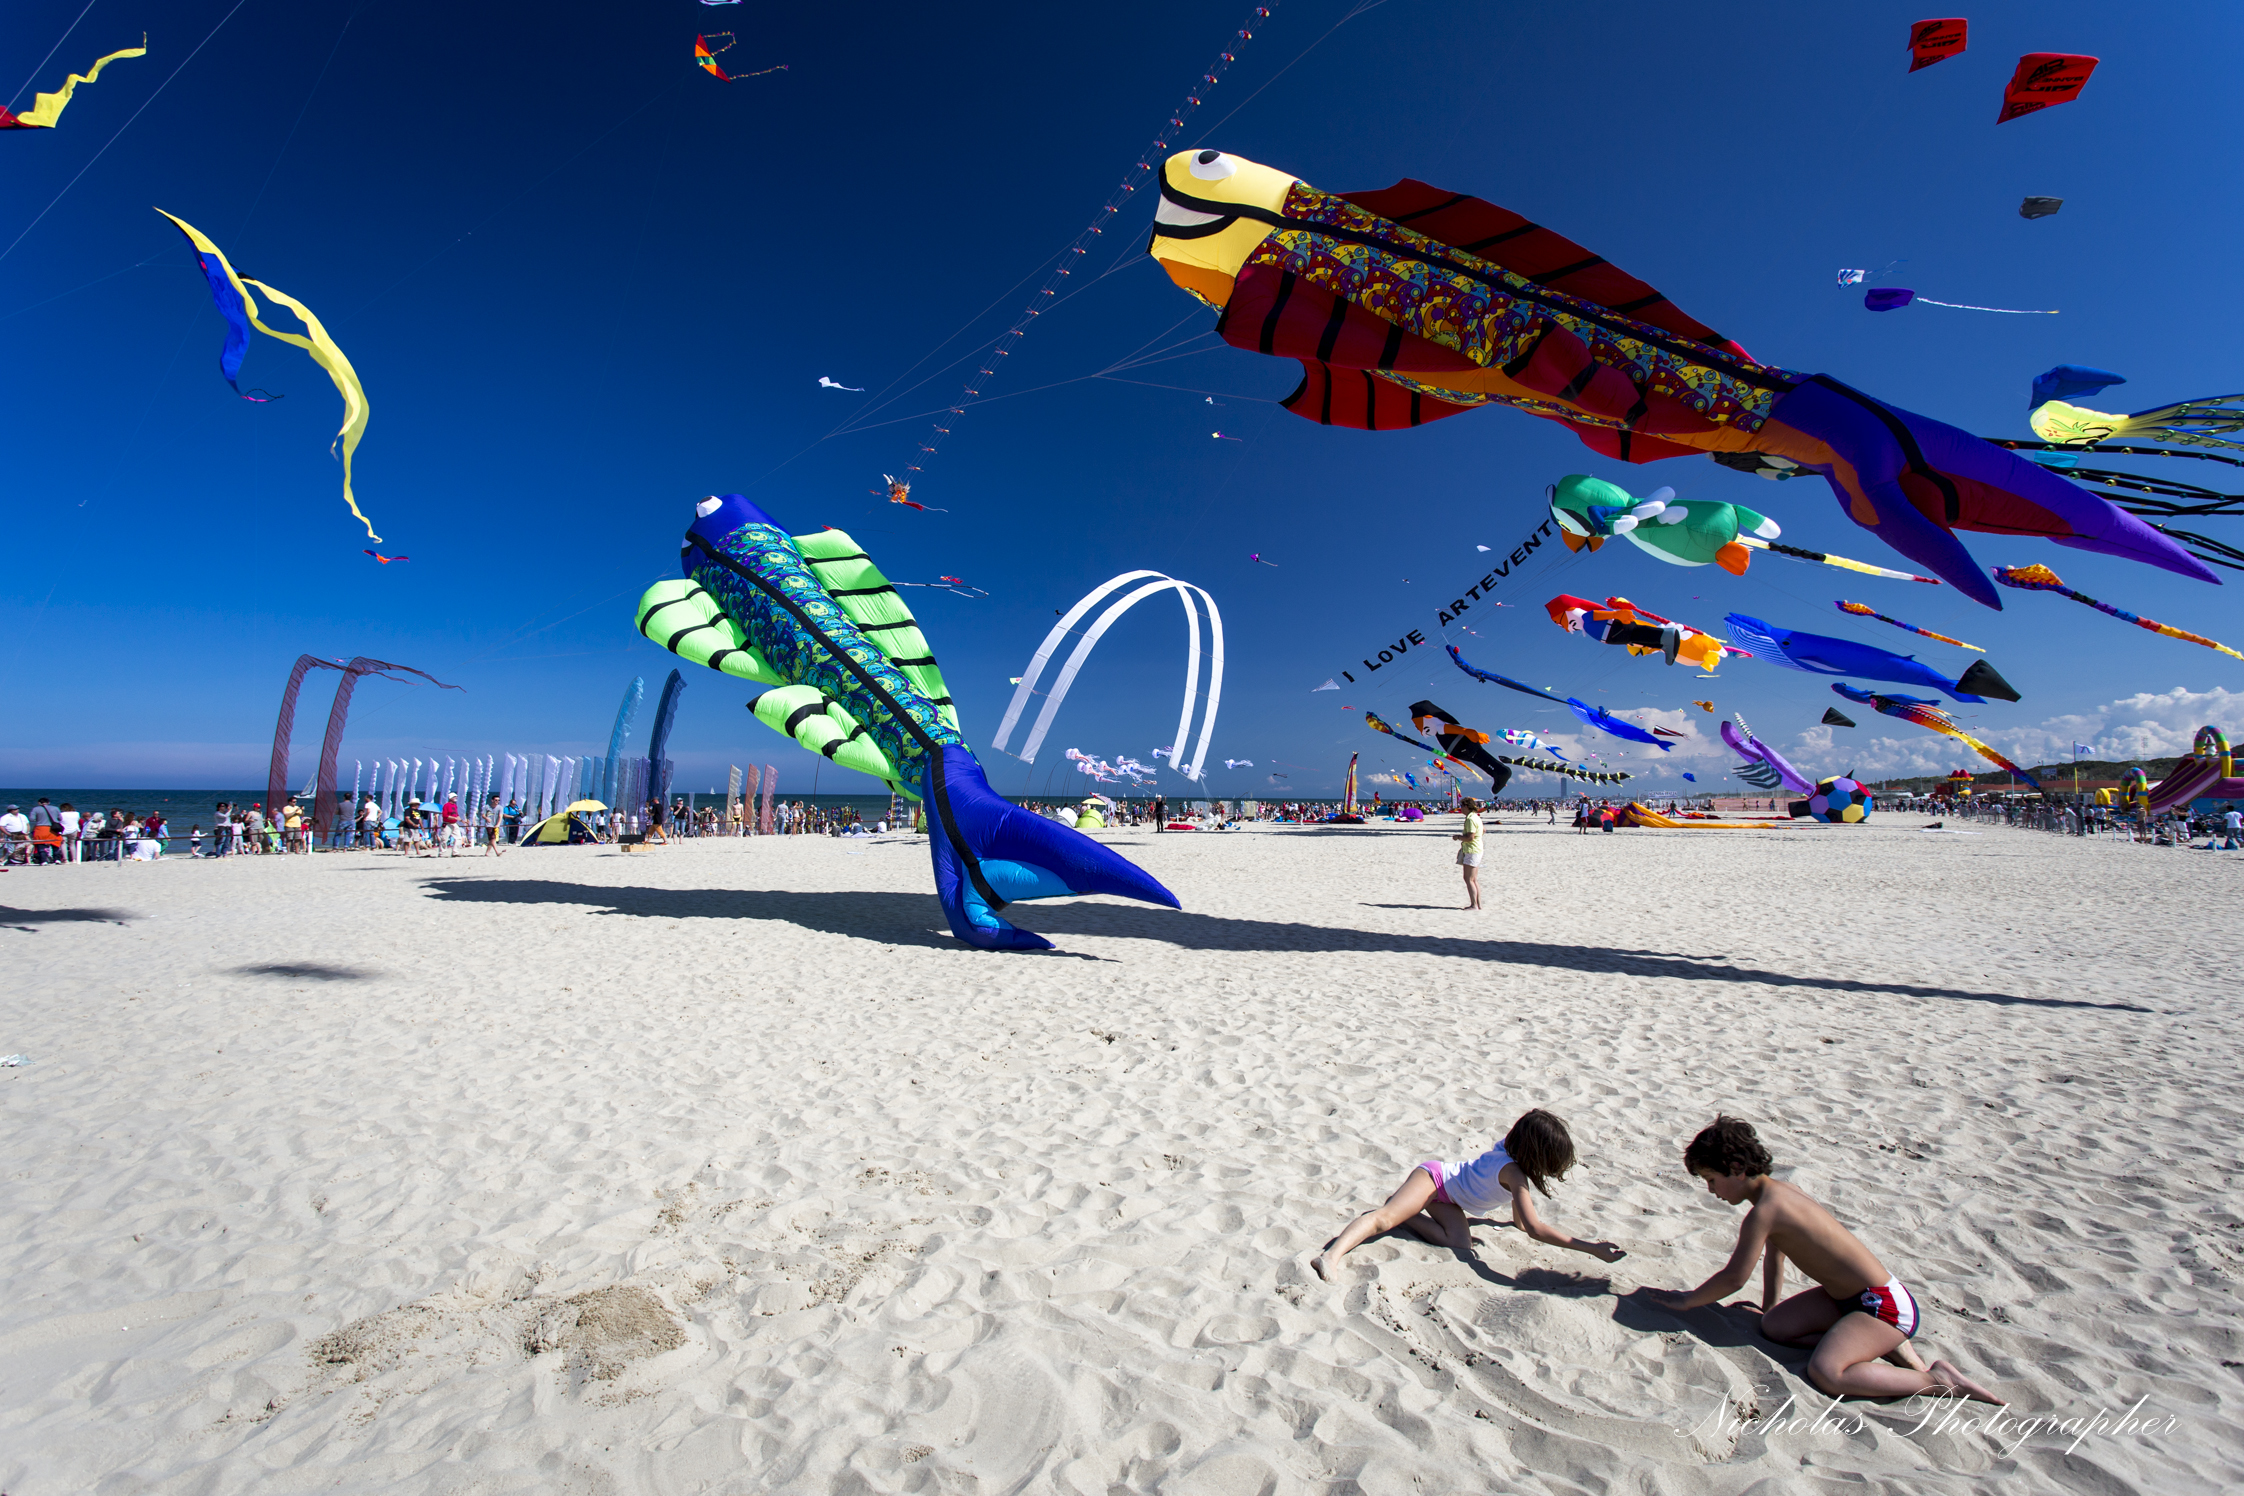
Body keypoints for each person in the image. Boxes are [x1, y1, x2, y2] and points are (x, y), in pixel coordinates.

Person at [1640, 1116, 2002, 1404]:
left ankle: (1936, 1380)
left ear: (1736, 1167)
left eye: (1712, 1180)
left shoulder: (1765, 1210)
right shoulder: (1780, 1193)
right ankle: (1867, 1343)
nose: (1711, 1191)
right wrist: (1768, 1308)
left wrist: (1687, 1301)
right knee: (1775, 1328)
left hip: (1884, 1306)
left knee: (1827, 1373)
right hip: (1846, 1301)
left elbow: (1735, 1277)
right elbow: (1776, 1257)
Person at [1311, 1109, 1625, 1280]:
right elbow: (1533, 1229)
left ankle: (1407, 1216)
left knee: (1460, 1245)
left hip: (1449, 1201)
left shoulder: (1514, 1162)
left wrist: (1515, 1219)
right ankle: (1331, 1256)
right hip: (1434, 1180)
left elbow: (1520, 1222)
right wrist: (1591, 1249)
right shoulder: (1514, 1174)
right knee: (1383, 1221)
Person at [1452, 796, 1485, 911]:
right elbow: (1483, 830)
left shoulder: (1470, 819)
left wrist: (1458, 837)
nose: (1460, 808)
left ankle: (1474, 905)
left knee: (1468, 879)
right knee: (1474, 879)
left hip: (1472, 850)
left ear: (1466, 806)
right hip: (1477, 849)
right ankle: (1478, 904)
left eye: (1461, 806)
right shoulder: (1476, 817)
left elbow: (1470, 837)